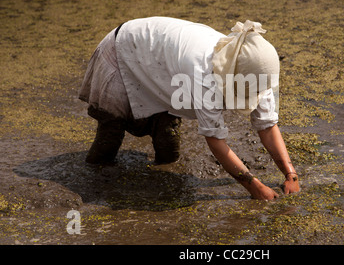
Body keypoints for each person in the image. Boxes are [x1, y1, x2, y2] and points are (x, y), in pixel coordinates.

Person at [78, 17, 299, 200]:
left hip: (166, 68)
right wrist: (254, 187)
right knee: (109, 138)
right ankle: (92, 193)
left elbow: (268, 126)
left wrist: (291, 175)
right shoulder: (204, 74)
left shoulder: (261, 72)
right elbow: (215, 141)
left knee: (168, 148)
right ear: (233, 76)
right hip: (125, 49)